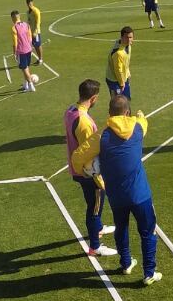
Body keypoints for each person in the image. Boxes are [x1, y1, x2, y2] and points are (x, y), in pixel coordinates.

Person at [73, 94, 161, 284]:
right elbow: (143, 121)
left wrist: (87, 173)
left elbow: (77, 157)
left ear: (109, 113)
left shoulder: (101, 135)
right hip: (140, 194)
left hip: (116, 195)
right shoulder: (137, 127)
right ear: (127, 112)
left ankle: (126, 263)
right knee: (148, 231)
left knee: (121, 227)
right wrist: (140, 115)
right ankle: (149, 272)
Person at [65, 79, 117, 257]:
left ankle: (99, 227)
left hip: (78, 168)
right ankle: (95, 246)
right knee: (94, 208)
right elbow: (89, 151)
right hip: (88, 173)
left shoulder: (71, 110)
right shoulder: (85, 122)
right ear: (93, 98)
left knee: (94, 205)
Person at [10, 11, 37, 92]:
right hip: (29, 49)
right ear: (19, 16)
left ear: (12, 18)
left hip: (21, 51)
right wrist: (30, 47)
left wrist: (14, 52)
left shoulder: (14, 27)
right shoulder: (26, 24)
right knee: (26, 68)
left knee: (24, 69)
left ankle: (31, 86)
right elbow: (30, 38)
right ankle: (25, 85)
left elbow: (15, 42)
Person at [107, 27, 134, 99]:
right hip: (114, 80)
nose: (129, 40)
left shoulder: (128, 45)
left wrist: (127, 72)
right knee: (117, 104)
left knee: (126, 100)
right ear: (121, 37)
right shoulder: (118, 53)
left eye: (130, 37)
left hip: (124, 78)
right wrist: (122, 84)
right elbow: (118, 70)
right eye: (126, 37)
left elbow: (126, 62)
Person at [25, 0, 43, 65]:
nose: (30, 5)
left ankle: (41, 59)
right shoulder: (28, 12)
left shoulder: (36, 10)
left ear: (33, 3)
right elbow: (28, 22)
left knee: (38, 45)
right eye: (28, 4)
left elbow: (38, 22)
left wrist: (36, 31)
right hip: (31, 32)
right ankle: (39, 58)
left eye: (31, 3)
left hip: (36, 32)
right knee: (35, 45)